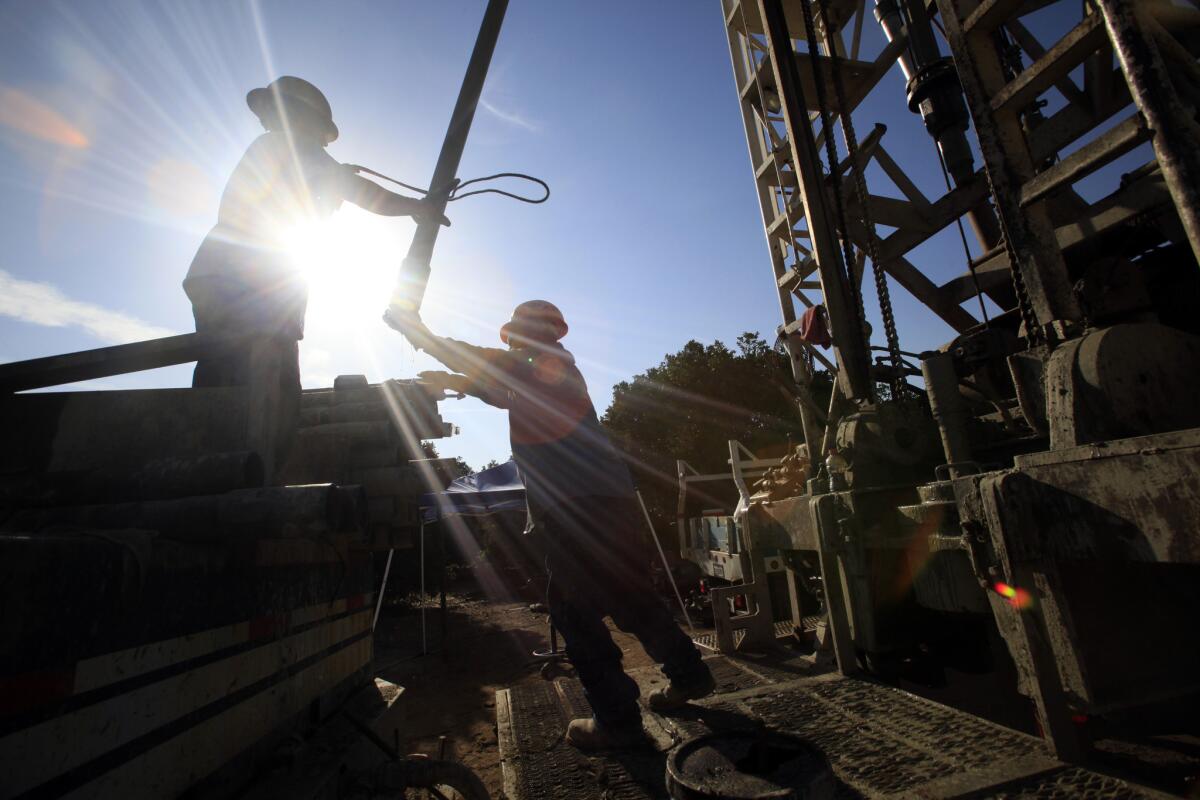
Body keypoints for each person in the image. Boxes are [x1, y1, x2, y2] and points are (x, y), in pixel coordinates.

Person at [389, 301, 714, 751]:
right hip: (610, 503)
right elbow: (499, 390)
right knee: (633, 598)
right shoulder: (553, 372)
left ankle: (617, 722)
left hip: (572, 509)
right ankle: (690, 676)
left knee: (575, 615)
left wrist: (418, 331)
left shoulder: (539, 363)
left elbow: (484, 365)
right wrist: (455, 382)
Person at [185, 76, 447, 388]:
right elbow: (358, 190)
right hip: (247, 279)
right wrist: (417, 207)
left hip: (232, 275)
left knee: (233, 370)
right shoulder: (287, 144)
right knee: (262, 378)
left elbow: (307, 206)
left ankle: (226, 426)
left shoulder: (281, 150)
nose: (262, 120)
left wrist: (330, 188)